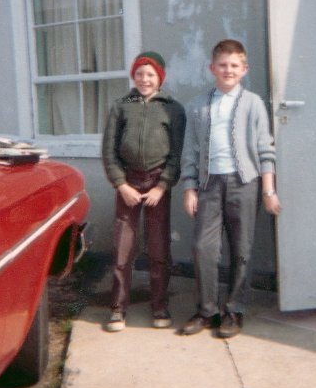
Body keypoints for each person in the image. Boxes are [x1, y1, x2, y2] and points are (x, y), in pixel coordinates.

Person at [180, 39, 281, 339]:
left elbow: (265, 148)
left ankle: (234, 310)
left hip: (244, 183)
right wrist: (189, 188)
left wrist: (268, 190)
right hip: (209, 184)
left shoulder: (253, 103)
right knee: (203, 247)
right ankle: (207, 310)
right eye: (222, 65)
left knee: (242, 249)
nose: (228, 70)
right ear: (212, 68)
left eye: (234, 65)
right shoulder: (198, 105)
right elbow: (190, 150)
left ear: (244, 69)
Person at [102, 51, 186, 332]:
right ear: (133, 75)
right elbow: (109, 151)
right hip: (128, 183)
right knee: (122, 247)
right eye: (140, 73)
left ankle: (159, 305)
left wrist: (162, 186)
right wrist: (121, 184)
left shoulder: (173, 109)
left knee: (158, 246)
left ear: (160, 77)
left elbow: (176, 154)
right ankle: (117, 307)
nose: (145, 79)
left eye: (150, 74)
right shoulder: (120, 106)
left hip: (156, 186)